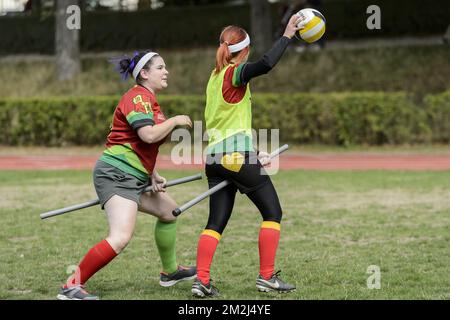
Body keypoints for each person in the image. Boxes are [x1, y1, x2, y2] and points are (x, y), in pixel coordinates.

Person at [57, 51, 196, 300]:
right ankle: (71, 285)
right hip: (116, 174)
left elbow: (137, 143)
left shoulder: (148, 100)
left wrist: (152, 173)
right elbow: (148, 136)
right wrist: (175, 120)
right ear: (144, 73)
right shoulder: (137, 98)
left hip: (134, 176)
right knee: (120, 237)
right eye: (161, 67)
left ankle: (170, 271)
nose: (167, 72)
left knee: (169, 211)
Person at [191, 14, 306, 298]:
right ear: (244, 50)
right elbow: (266, 64)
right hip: (235, 158)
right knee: (273, 213)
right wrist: (288, 34)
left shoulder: (215, 77)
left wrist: (253, 152)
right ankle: (266, 277)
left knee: (216, 221)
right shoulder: (235, 72)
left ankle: (201, 281)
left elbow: (226, 123)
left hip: (215, 160)